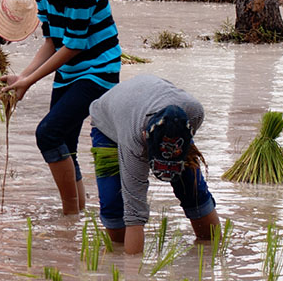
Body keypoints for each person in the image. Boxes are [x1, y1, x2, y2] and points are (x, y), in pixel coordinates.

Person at [0, 0, 121, 215]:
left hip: (98, 71)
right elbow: (52, 41)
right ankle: (76, 217)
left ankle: (68, 214)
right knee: (65, 145)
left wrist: (28, 82)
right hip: (70, 72)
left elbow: (75, 45)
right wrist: (22, 76)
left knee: (48, 134)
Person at [89, 74, 220, 254]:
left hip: (152, 106)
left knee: (192, 186)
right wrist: (133, 272)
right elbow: (134, 212)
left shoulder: (194, 112)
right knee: (114, 200)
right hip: (109, 122)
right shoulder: (133, 140)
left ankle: (212, 248)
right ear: (145, 138)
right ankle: (117, 255)